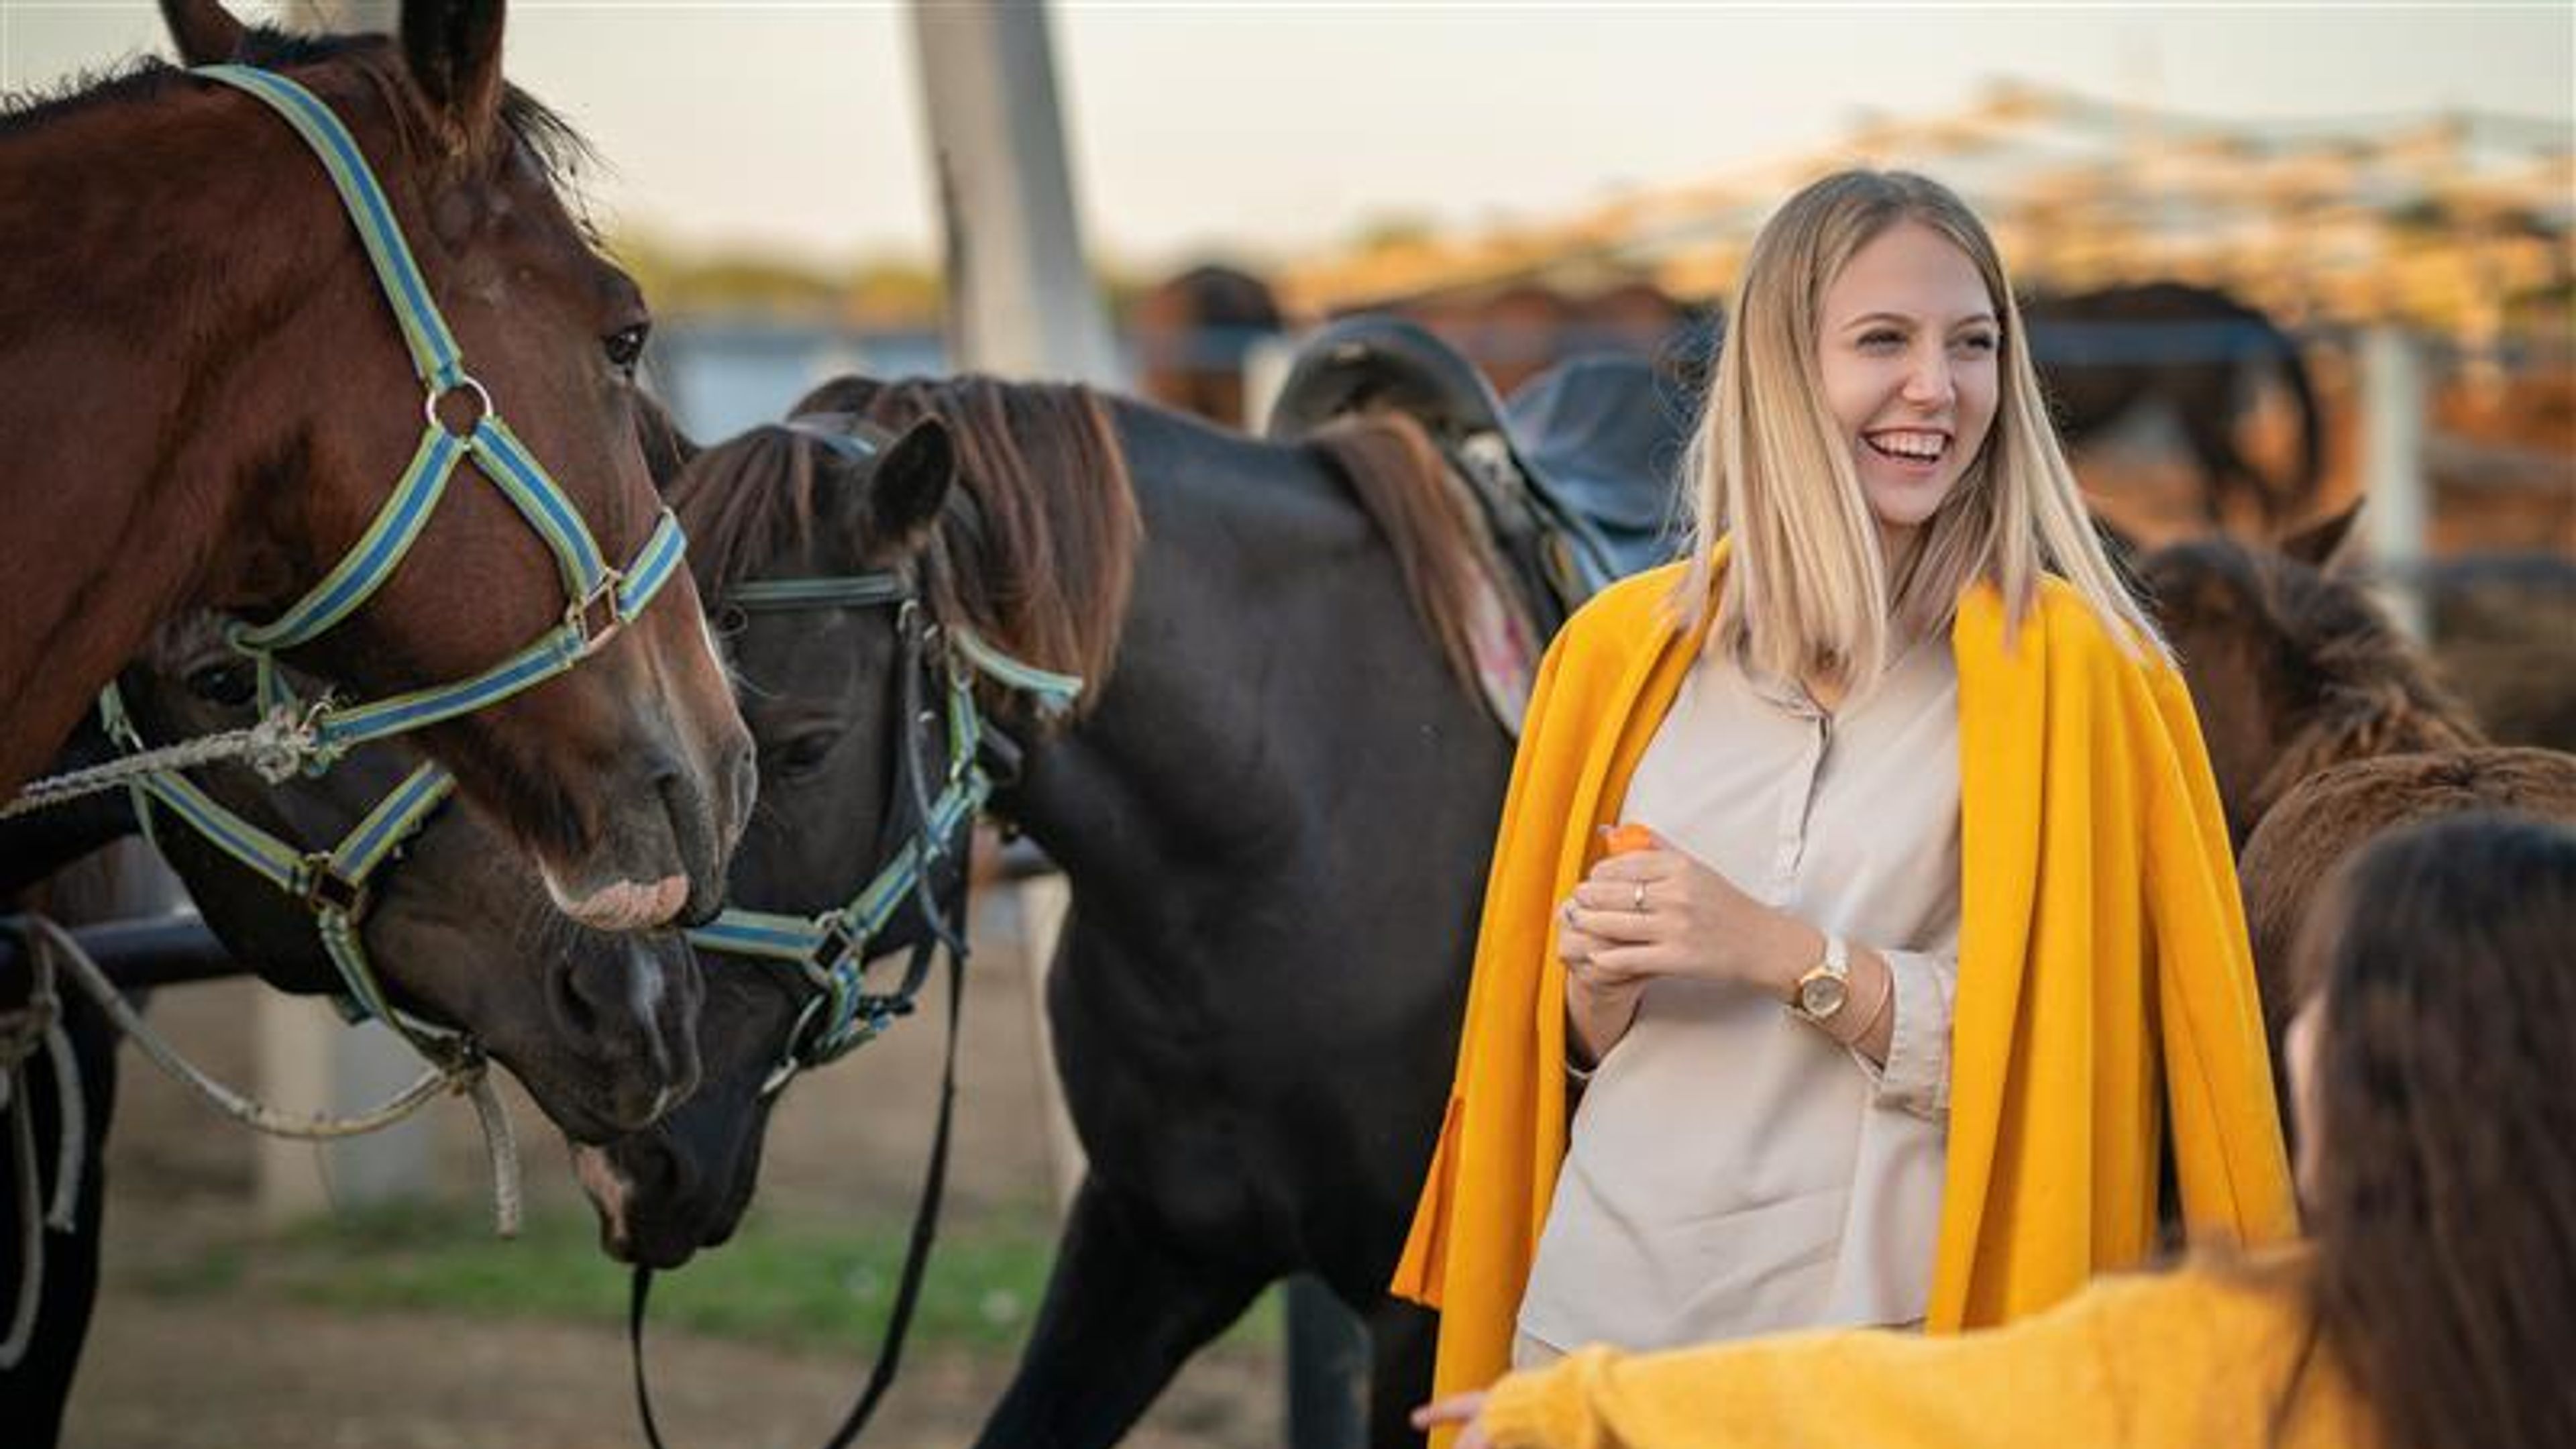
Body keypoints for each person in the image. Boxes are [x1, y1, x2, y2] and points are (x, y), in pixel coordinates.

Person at [1389, 168, 2297, 1430]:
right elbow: (1556, 1062)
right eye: (1885, 341)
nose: (1938, 386)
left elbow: (2078, 1056)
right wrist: (1597, 997)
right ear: (1779, 368)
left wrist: (1789, 956)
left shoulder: (2077, 675)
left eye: (1972, 346)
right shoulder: (1613, 657)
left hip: (1875, 1360)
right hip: (1592, 1328)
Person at [1417, 811, 2576, 1449]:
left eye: (2323, 1007)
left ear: (2367, 1080)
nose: (2293, 1041)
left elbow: (1888, 1410)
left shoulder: (2220, 1360)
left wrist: (1580, 1408)